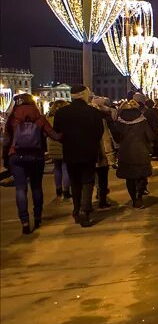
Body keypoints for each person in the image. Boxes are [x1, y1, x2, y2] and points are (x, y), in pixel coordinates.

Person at [4, 94, 60, 234]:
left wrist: (6, 157)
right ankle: (37, 215)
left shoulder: (12, 119)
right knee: (36, 186)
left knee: (20, 189)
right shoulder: (39, 118)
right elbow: (54, 135)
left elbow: (6, 141)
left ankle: (24, 221)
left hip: (16, 156)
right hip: (36, 156)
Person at [53, 86, 106, 227]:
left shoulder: (61, 112)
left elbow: (57, 132)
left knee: (75, 182)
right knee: (88, 181)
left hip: (70, 151)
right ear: (84, 95)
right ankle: (84, 209)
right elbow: (99, 132)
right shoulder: (93, 112)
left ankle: (76, 209)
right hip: (89, 151)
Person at [113, 99, 156, 208]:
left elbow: (117, 139)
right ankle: (139, 197)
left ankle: (134, 199)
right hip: (141, 151)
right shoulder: (142, 120)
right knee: (141, 175)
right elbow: (150, 136)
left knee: (129, 177)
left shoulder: (119, 122)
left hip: (125, 152)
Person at [91, 97, 117, 208]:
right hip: (102, 152)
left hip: (89, 152)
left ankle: (90, 200)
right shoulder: (104, 118)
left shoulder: (85, 117)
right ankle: (102, 199)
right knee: (102, 177)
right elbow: (108, 137)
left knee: (92, 177)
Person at [46, 100, 70, 200]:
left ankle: (58, 189)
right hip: (64, 144)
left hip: (52, 145)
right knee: (65, 168)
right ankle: (66, 191)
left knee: (57, 168)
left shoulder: (48, 118)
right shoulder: (66, 118)